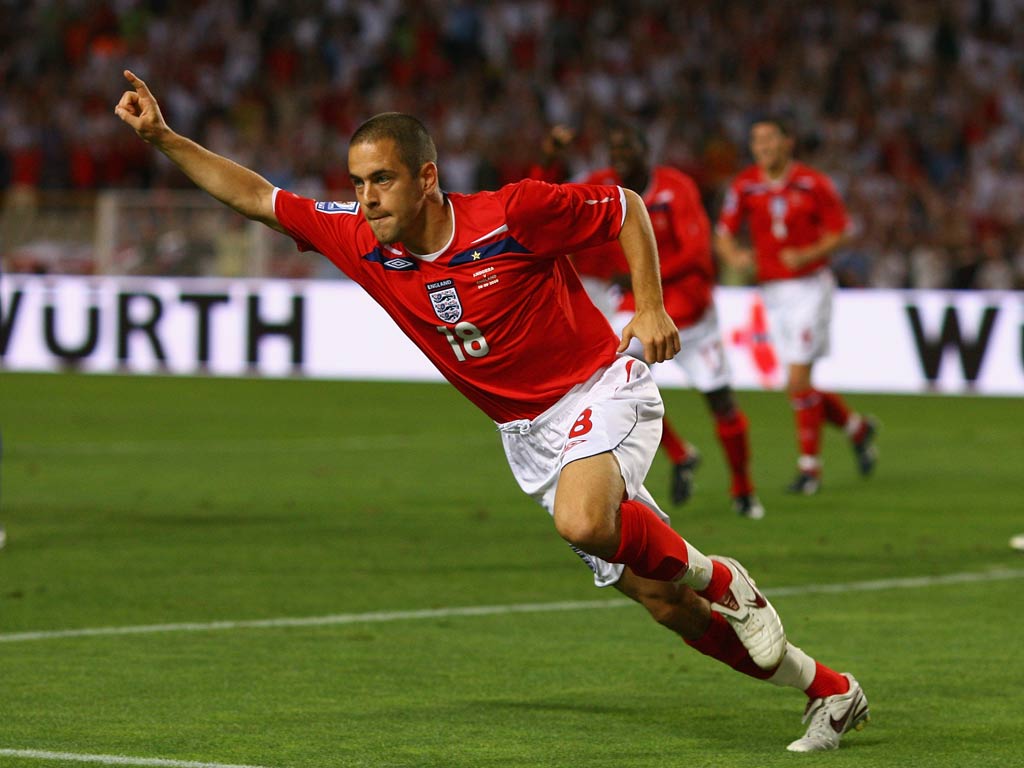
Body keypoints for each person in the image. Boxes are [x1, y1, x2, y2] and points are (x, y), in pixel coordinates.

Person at [115, 71, 869, 752]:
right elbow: (256, 196)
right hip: (529, 437)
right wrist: (163, 137)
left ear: (427, 178)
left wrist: (649, 306)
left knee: (585, 522)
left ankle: (723, 577)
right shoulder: (359, 239)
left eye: (382, 180)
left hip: (602, 388)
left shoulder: (513, 214)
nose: (366, 197)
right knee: (661, 603)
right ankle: (827, 691)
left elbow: (625, 208)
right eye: (357, 182)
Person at [569, 121, 765, 519]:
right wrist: (551, 158)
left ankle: (743, 488)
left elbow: (695, 253)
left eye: (627, 150)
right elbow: (552, 198)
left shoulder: (676, 188)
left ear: (647, 152)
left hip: (690, 315)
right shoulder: (603, 185)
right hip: (638, 310)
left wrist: (636, 273)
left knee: (720, 400)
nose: (619, 158)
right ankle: (679, 455)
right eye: (614, 151)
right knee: (616, 385)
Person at [715, 117, 878, 495]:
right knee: (799, 384)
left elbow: (841, 230)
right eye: (757, 140)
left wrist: (807, 253)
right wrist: (735, 255)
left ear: (788, 143)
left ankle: (810, 469)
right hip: (772, 293)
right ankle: (856, 429)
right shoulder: (745, 185)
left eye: (770, 138)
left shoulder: (813, 182)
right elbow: (722, 233)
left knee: (798, 381)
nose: (763, 146)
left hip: (810, 288)